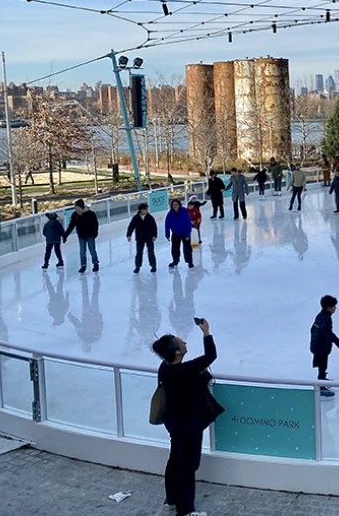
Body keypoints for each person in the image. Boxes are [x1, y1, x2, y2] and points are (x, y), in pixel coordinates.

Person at [152, 317, 224, 516]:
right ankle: (186, 510)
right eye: (181, 342)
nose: (184, 342)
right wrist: (206, 332)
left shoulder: (165, 368)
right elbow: (211, 355)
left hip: (174, 422)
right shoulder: (185, 370)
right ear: (177, 351)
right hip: (188, 424)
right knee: (188, 465)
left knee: (175, 458)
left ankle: (172, 498)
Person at [310, 295, 339, 398]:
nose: (335, 308)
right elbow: (327, 333)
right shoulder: (326, 318)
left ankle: (322, 380)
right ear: (328, 308)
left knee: (322, 365)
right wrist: (338, 343)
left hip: (318, 345)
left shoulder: (320, 315)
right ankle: (321, 387)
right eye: (334, 306)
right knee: (322, 364)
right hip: (321, 347)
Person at [64, 199, 100, 274]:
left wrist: (95, 233)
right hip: (81, 236)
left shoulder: (91, 214)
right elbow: (71, 226)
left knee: (92, 250)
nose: (75, 209)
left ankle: (95, 263)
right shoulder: (75, 215)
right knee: (82, 251)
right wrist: (65, 235)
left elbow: (95, 224)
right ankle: (83, 265)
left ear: (81, 207)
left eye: (76, 207)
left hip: (90, 235)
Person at [126, 203, 158, 273]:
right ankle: (137, 266)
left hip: (149, 238)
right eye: (145, 209)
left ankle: (153, 265)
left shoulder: (150, 218)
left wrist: (154, 235)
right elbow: (131, 227)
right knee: (139, 253)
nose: (147, 210)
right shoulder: (136, 218)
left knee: (151, 252)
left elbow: (154, 227)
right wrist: (129, 235)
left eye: (147, 209)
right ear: (141, 210)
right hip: (140, 238)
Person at [165, 199, 194, 269]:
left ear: (179, 205)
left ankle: (189, 262)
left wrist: (187, 234)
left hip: (184, 233)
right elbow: (167, 224)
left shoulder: (184, 212)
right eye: (173, 205)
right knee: (174, 249)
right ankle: (175, 261)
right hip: (175, 234)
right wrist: (167, 234)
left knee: (187, 249)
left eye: (176, 205)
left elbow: (188, 223)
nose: (175, 206)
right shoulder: (170, 214)